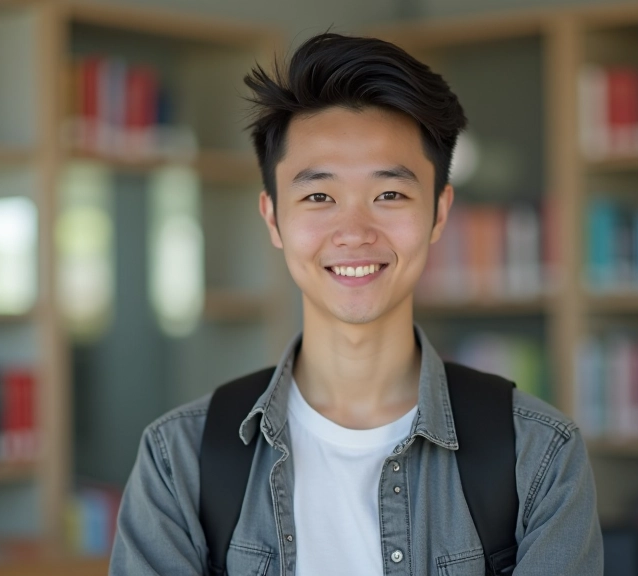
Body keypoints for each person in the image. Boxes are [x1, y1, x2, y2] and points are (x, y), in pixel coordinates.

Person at [109, 32, 603, 576]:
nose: (354, 232)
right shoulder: (178, 458)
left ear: (439, 213)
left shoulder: (540, 454)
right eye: (318, 196)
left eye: (389, 194)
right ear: (273, 217)